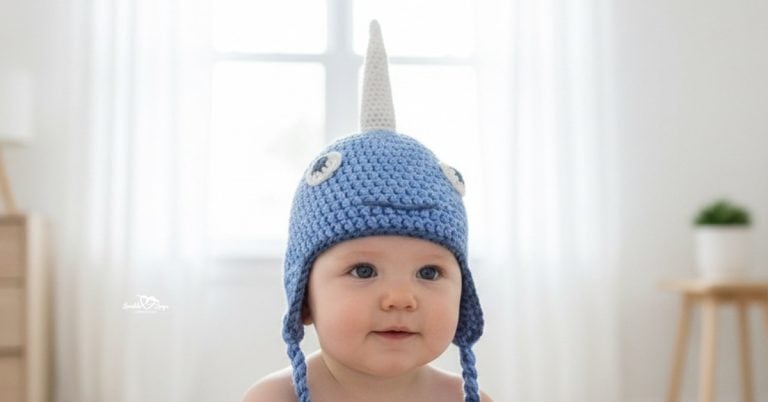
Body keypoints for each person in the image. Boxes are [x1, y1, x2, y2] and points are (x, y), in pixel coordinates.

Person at [243, 20, 490, 402]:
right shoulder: (276, 398)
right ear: (304, 299)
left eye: (429, 272)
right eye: (363, 270)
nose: (400, 297)